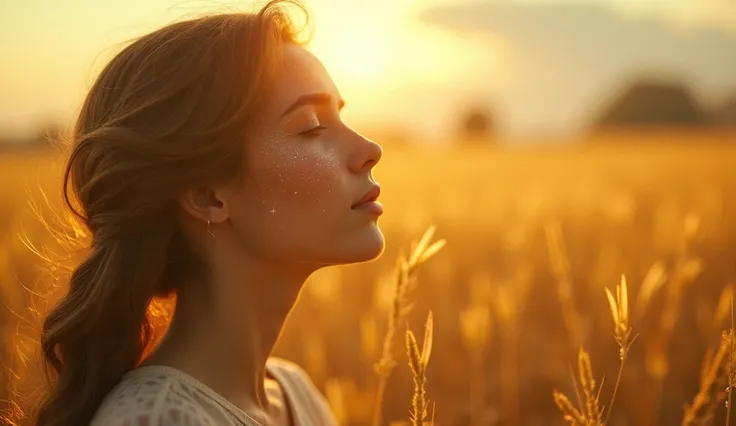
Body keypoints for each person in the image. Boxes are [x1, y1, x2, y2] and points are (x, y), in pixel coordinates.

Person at [31, 1, 385, 425]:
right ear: (207, 196)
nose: (370, 150)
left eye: (342, 117)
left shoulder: (296, 396)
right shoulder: (157, 419)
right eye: (311, 126)